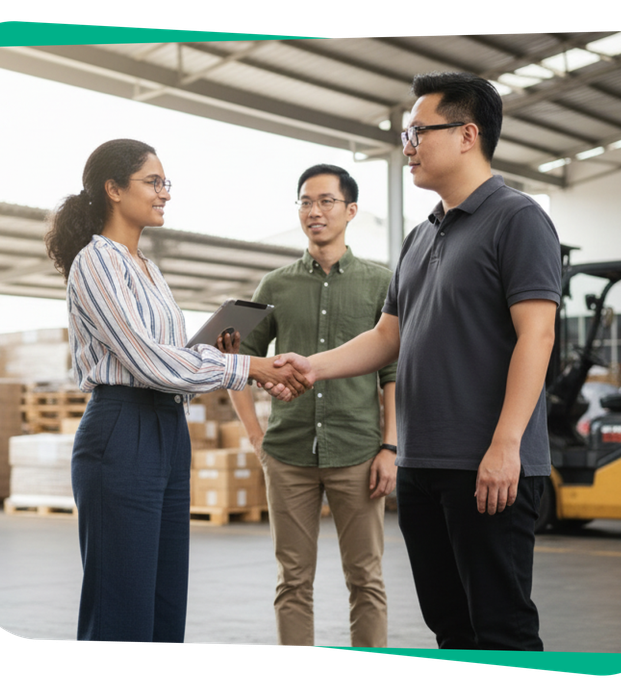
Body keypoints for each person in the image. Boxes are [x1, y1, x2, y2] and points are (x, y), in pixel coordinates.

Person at [272, 73, 561, 651]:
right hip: (424, 465)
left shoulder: (517, 218)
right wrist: (312, 367)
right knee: (449, 628)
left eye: (418, 131)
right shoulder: (420, 237)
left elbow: (539, 335)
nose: (408, 146)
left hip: (488, 467)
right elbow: (387, 336)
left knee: (500, 629)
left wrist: (506, 446)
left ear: (467, 135)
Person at [44, 139, 309, 644]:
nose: (165, 193)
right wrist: (245, 365)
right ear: (114, 190)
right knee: (122, 605)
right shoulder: (96, 263)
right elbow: (148, 361)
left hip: (167, 429)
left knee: (165, 602)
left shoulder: (149, 269)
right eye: (154, 181)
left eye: (167, 183)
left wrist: (217, 350)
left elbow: (172, 359)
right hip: (122, 429)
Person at [218, 164, 396, 647]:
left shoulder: (381, 283)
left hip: (358, 452)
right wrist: (257, 439)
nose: (313, 211)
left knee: (366, 580)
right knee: (292, 581)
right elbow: (237, 363)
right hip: (289, 453)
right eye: (304, 202)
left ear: (350, 210)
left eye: (325, 201)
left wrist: (390, 447)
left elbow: (391, 374)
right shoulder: (274, 286)